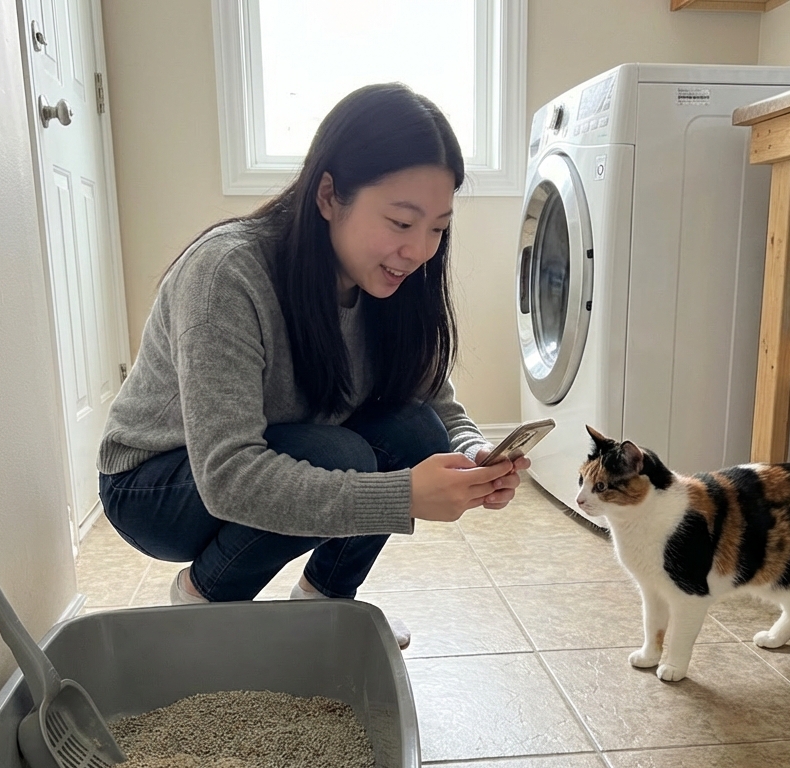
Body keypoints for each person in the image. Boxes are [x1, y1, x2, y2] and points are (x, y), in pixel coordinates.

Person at [96, 83, 527, 649]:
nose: (421, 250)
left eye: (438, 228)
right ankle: (202, 600)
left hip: (249, 459)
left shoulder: (392, 278)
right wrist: (400, 496)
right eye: (401, 223)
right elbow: (227, 475)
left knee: (417, 430)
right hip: (156, 483)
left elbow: (433, 401)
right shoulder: (228, 274)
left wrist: (473, 451)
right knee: (342, 455)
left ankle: (324, 602)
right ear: (329, 196)